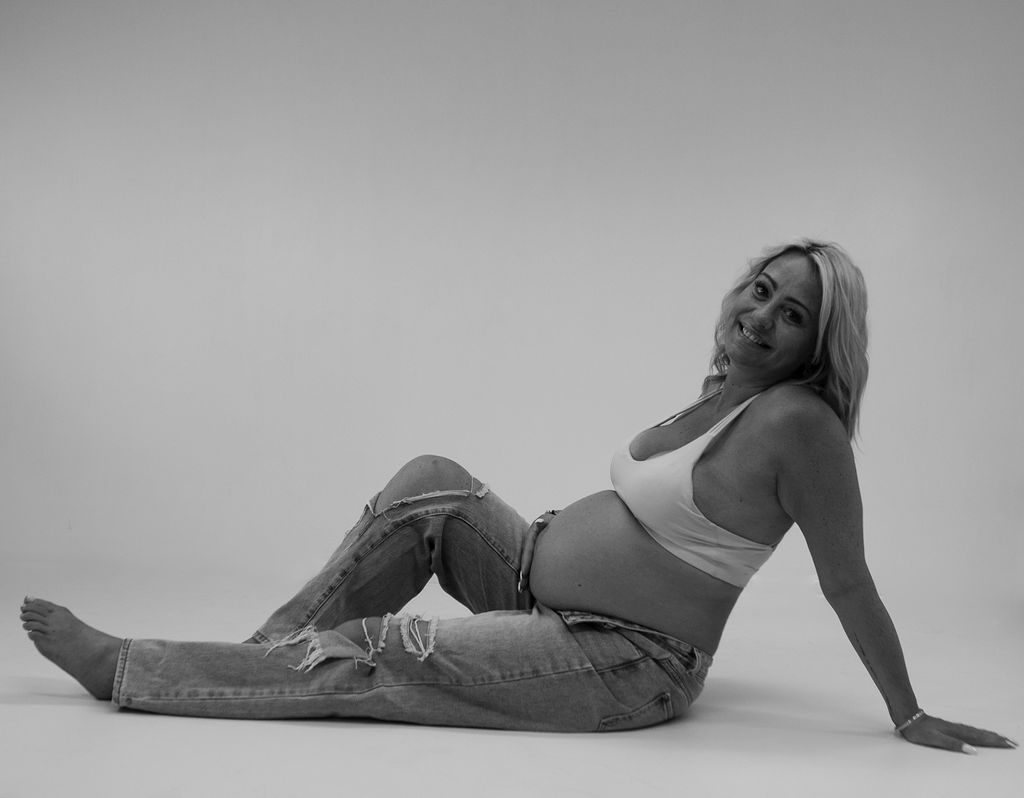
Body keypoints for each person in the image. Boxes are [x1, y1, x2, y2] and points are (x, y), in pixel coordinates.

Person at [20, 239, 1016, 751]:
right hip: (539, 581)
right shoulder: (724, 394)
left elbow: (847, 582)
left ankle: (135, 672)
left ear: (816, 345)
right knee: (431, 488)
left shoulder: (800, 424)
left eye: (792, 313)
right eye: (760, 288)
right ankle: (248, 669)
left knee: (378, 659)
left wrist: (907, 711)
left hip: (622, 661)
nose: (762, 314)